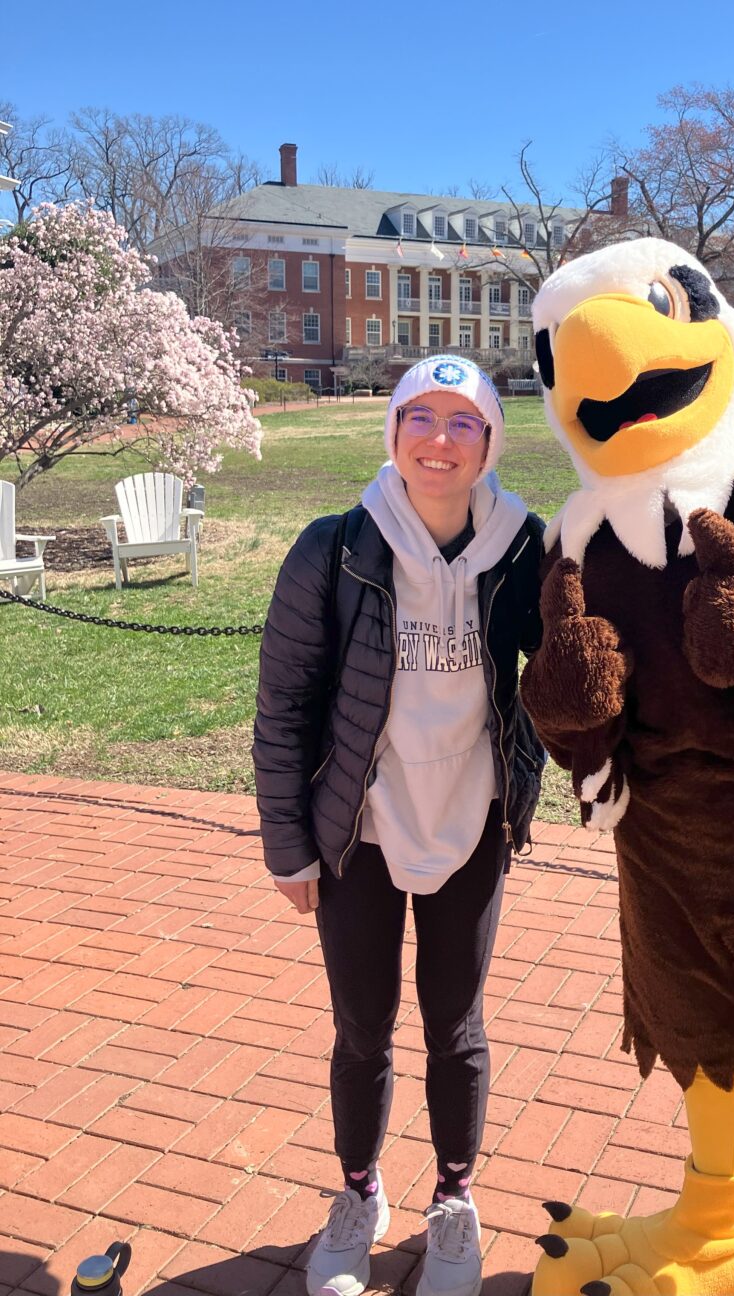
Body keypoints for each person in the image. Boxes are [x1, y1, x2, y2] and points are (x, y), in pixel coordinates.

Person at [253, 355, 544, 1296]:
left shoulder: (526, 547)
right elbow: (285, 705)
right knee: (361, 1029)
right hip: (360, 833)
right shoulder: (334, 549)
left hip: (472, 824)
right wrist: (289, 844)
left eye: (464, 422)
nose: (440, 439)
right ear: (393, 432)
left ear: (490, 441)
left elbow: (579, 674)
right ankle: (359, 1191)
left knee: (456, 1026)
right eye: (420, 416)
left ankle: (453, 1200)